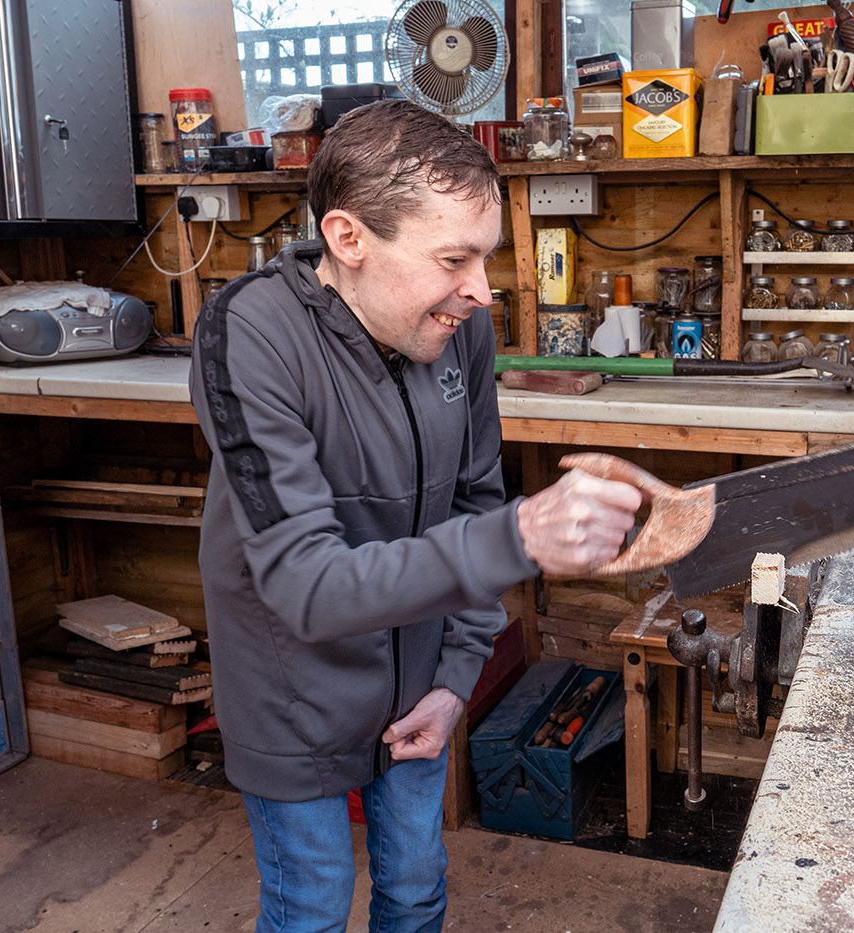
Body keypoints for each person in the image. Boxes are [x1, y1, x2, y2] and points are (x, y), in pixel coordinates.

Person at [189, 99, 642, 932]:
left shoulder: (454, 327)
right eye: (452, 258)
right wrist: (521, 538)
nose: (479, 288)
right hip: (296, 693)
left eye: (486, 258)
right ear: (349, 238)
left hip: (418, 691)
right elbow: (307, 586)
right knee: (313, 911)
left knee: (416, 891)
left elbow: (473, 498)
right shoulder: (250, 332)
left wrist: (452, 679)